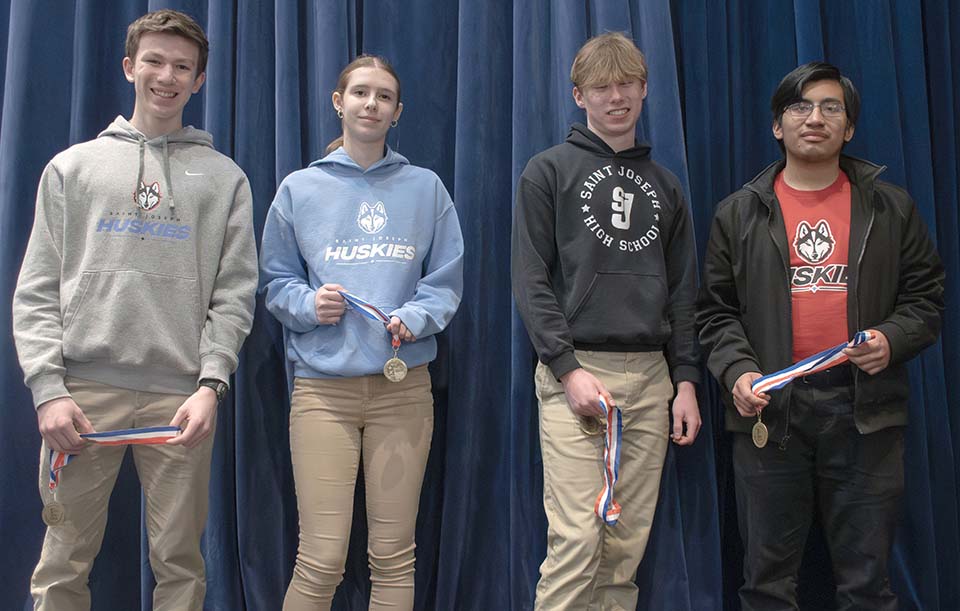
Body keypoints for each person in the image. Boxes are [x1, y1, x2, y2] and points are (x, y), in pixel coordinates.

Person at [11, 9, 258, 611]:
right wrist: (48, 388)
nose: (166, 76)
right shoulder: (72, 168)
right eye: (154, 60)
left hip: (182, 403)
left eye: (182, 66)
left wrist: (211, 385)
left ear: (199, 80)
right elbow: (37, 287)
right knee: (63, 561)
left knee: (179, 563)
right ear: (129, 66)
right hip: (83, 397)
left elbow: (234, 294)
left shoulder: (225, 180)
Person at [697, 62, 945, 610]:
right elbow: (714, 313)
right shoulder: (737, 214)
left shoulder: (891, 208)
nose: (816, 118)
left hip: (866, 413)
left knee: (866, 586)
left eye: (832, 107)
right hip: (771, 413)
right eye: (800, 107)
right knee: (766, 584)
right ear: (777, 127)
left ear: (850, 128)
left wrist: (893, 338)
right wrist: (738, 372)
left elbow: (927, 299)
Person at [260, 54, 464, 611]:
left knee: (394, 556)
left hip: (404, 392)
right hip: (323, 394)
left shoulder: (426, 189)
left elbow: (445, 282)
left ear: (398, 112)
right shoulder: (300, 189)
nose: (371, 104)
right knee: (320, 558)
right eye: (360, 93)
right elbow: (274, 281)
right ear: (338, 102)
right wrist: (308, 304)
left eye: (384, 97)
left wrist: (415, 318)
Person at [511, 32, 701, 610]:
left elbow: (684, 293)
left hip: (651, 379)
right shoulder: (547, 172)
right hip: (578, 373)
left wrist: (686, 381)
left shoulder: (666, 185)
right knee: (576, 540)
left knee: (625, 550)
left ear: (644, 91)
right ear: (579, 95)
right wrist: (567, 370)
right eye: (601, 87)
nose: (615, 97)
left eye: (626, 84)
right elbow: (531, 281)